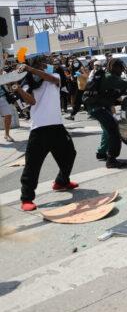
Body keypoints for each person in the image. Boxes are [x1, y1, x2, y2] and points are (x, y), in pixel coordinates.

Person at [14, 57, 78, 211]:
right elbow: (32, 102)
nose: (47, 65)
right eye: (43, 64)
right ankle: (26, 199)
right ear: (37, 65)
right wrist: (19, 89)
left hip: (57, 126)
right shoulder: (31, 83)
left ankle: (61, 182)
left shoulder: (54, 77)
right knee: (32, 165)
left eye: (46, 63)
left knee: (70, 154)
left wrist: (30, 69)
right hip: (39, 129)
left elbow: (49, 77)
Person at [85, 59, 127, 168]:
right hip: (98, 108)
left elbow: (115, 91)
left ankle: (102, 153)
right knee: (114, 130)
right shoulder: (110, 77)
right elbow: (125, 84)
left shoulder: (107, 75)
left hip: (96, 106)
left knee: (108, 129)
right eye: (120, 68)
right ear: (116, 67)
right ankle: (111, 159)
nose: (121, 71)